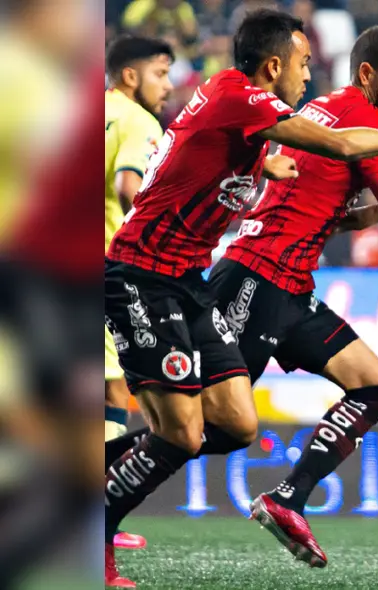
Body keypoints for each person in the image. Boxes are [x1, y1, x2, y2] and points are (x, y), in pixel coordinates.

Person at [102, 9, 378, 587]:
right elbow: (338, 144)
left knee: (235, 425)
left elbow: (219, 150)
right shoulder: (242, 97)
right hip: (141, 276)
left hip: (189, 281)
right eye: (303, 65)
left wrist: (268, 166)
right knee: (180, 432)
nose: (308, 76)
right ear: (274, 66)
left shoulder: (243, 116)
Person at [103, 35, 175, 553]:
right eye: (161, 74)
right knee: (111, 392)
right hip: (105, 268)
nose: (168, 87)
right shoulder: (139, 121)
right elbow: (129, 186)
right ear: (131, 76)